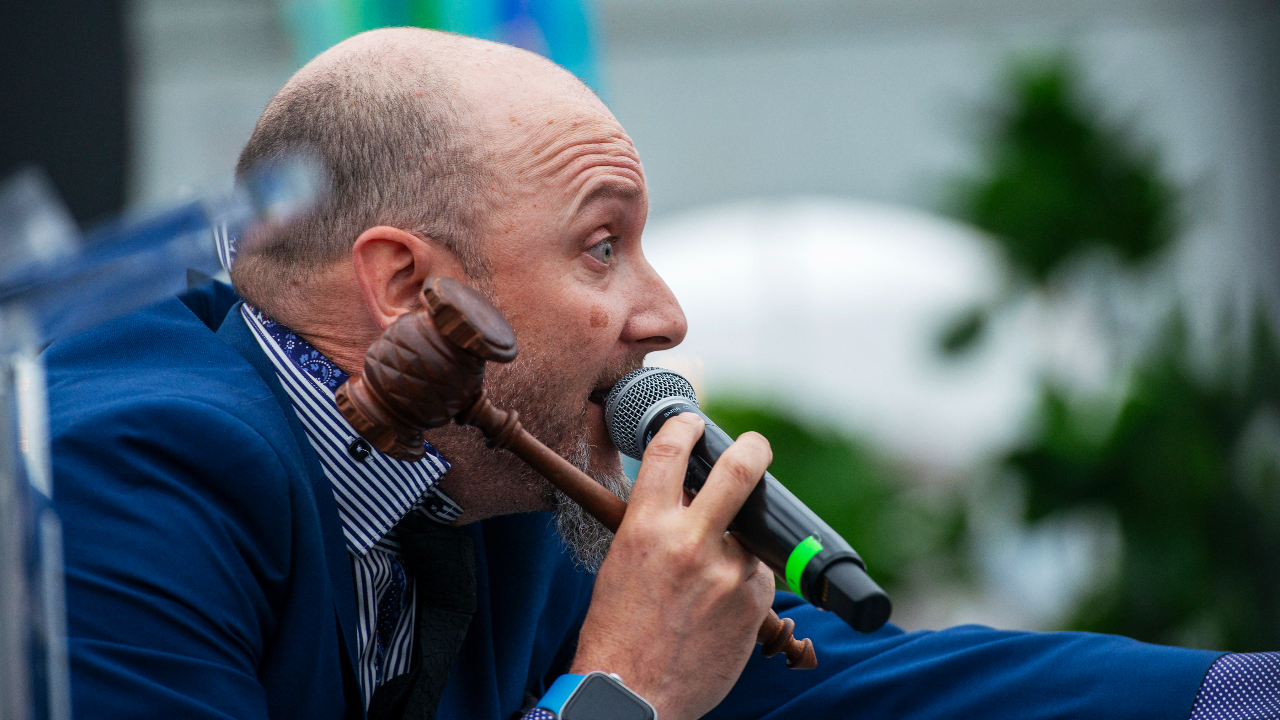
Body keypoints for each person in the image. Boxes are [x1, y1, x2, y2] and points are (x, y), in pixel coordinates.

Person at [46, 27, 1276, 720]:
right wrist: (617, 697)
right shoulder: (123, 476)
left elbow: (875, 695)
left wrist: (1241, 697)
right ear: (409, 289)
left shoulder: (483, 489)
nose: (665, 314)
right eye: (601, 244)